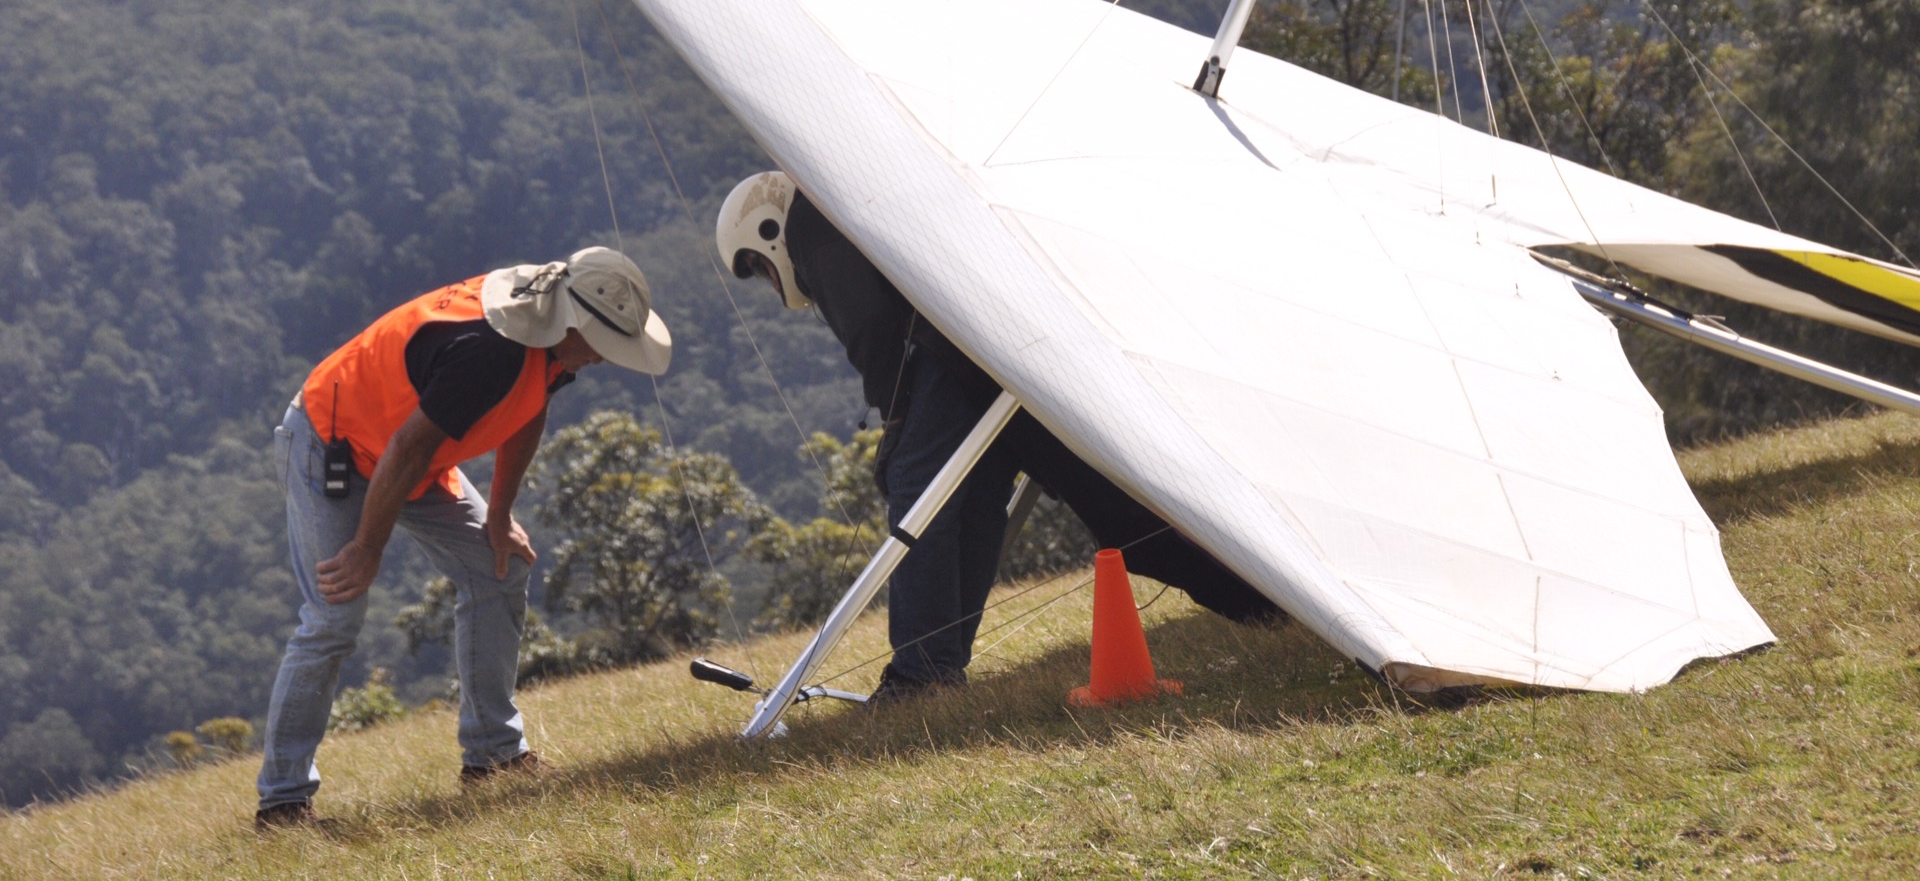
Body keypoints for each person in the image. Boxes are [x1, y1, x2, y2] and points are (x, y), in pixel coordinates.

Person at [716, 173, 1275, 701]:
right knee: (1059, 503)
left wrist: (896, 425)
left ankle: (921, 676)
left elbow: (876, 335)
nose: (772, 281)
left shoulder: (809, 223)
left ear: (768, 231)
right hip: (982, 360)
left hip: (947, 359)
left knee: (921, 491)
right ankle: (1269, 605)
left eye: (761, 269)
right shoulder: (832, 204)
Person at [254, 247, 671, 828]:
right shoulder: (492, 349)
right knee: (334, 616)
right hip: (335, 445)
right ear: (575, 323)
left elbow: (529, 407)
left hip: (411, 452)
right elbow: (407, 448)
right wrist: (366, 549)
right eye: (606, 344)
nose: (605, 360)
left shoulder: (548, 337)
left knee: (499, 566)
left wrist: (499, 515)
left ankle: (492, 756)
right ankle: (282, 802)